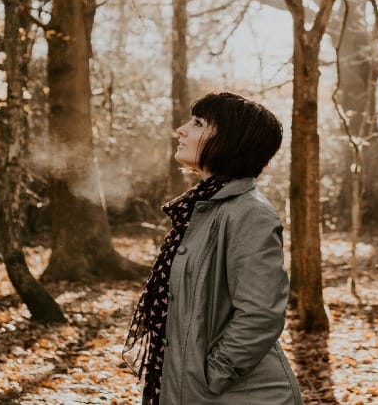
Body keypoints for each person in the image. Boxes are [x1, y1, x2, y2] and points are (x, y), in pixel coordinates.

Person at [124, 92, 303, 404]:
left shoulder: (249, 213)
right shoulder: (200, 208)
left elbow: (260, 314)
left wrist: (210, 376)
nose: (181, 129)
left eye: (198, 123)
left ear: (229, 140)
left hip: (236, 396)